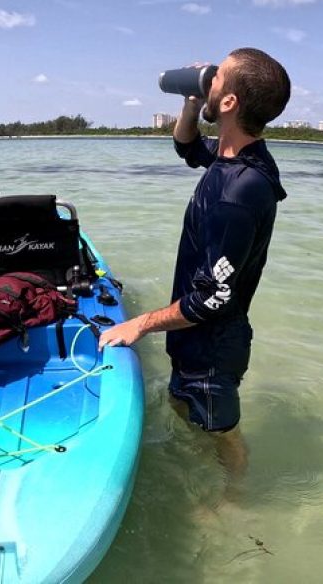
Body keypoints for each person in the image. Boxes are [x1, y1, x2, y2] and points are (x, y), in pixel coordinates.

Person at [99, 48, 290, 499]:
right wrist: (191, 98)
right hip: (195, 336)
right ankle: (200, 481)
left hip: (213, 343)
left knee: (224, 432)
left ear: (229, 104)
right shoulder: (231, 156)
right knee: (185, 410)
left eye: (217, 75)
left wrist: (139, 324)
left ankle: (232, 502)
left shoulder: (239, 192)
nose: (208, 76)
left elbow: (210, 300)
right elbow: (187, 146)